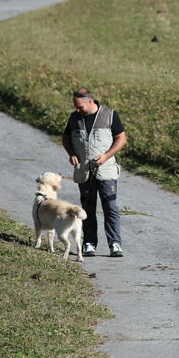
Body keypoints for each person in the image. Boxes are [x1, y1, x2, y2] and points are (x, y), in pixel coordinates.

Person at [62, 89, 127, 257]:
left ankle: (115, 245)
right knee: (87, 209)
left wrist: (106, 156)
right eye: (75, 106)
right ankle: (89, 244)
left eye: (80, 106)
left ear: (90, 101)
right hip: (84, 172)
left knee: (110, 207)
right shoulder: (74, 118)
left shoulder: (110, 115)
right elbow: (66, 138)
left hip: (106, 171)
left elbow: (122, 138)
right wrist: (72, 155)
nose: (77, 110)